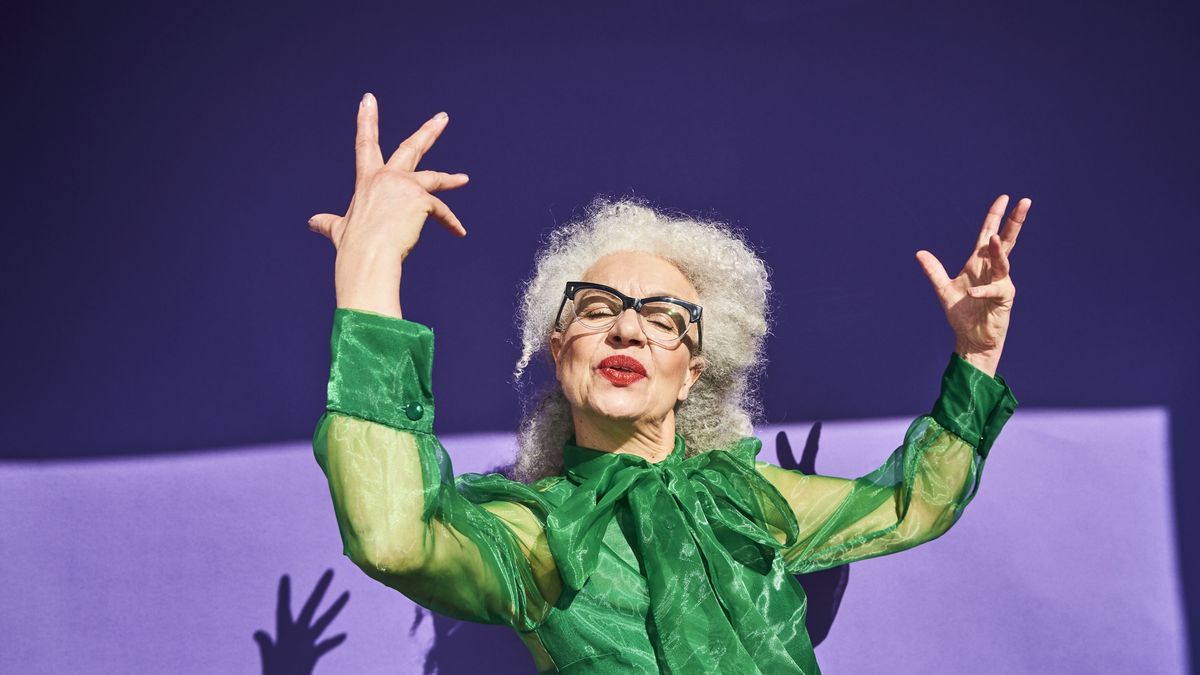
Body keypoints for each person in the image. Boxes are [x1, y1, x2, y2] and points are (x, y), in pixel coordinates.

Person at [307, 92, 1026, 674]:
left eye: (661, 317)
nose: (626, 330)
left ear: (693, 372)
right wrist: (370, 269)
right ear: (560, 353)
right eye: (597, 310)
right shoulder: (538, 534)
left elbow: (916, 503)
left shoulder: (751, 503)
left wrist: (976, 353)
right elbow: (394, 538)